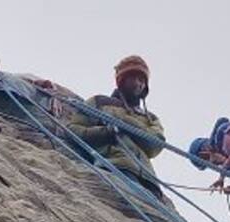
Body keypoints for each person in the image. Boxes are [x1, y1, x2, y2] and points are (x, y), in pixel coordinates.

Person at [68, 55, 167, 198]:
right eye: (136, 78)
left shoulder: (150, 117)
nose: (140, 84)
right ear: (122, 80)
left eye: (143, 81)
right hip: (115, 167)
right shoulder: (100, 103)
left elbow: (155, 145)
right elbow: (74, 130)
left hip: (148, 180)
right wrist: (107, 132)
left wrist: (124, 123)